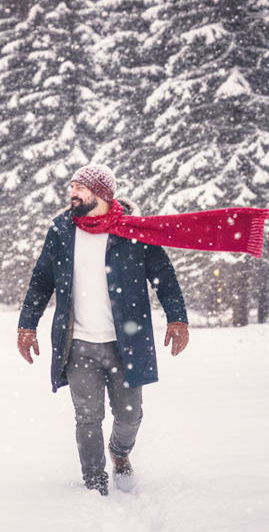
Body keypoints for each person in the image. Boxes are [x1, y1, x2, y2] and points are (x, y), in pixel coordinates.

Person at [16, 164, 189, 495]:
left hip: (126, 344)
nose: (73, 193)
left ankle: (120, 454)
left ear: (102, 194)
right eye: (72, 186)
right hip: (78, 344)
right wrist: (27, 325)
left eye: (80, 187)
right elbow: (41, 282)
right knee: (87, 418)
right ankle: (94, 481)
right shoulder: (62, 232)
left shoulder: (133, 231)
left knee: (130, 417)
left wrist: (177, 318)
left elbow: (163, 277)